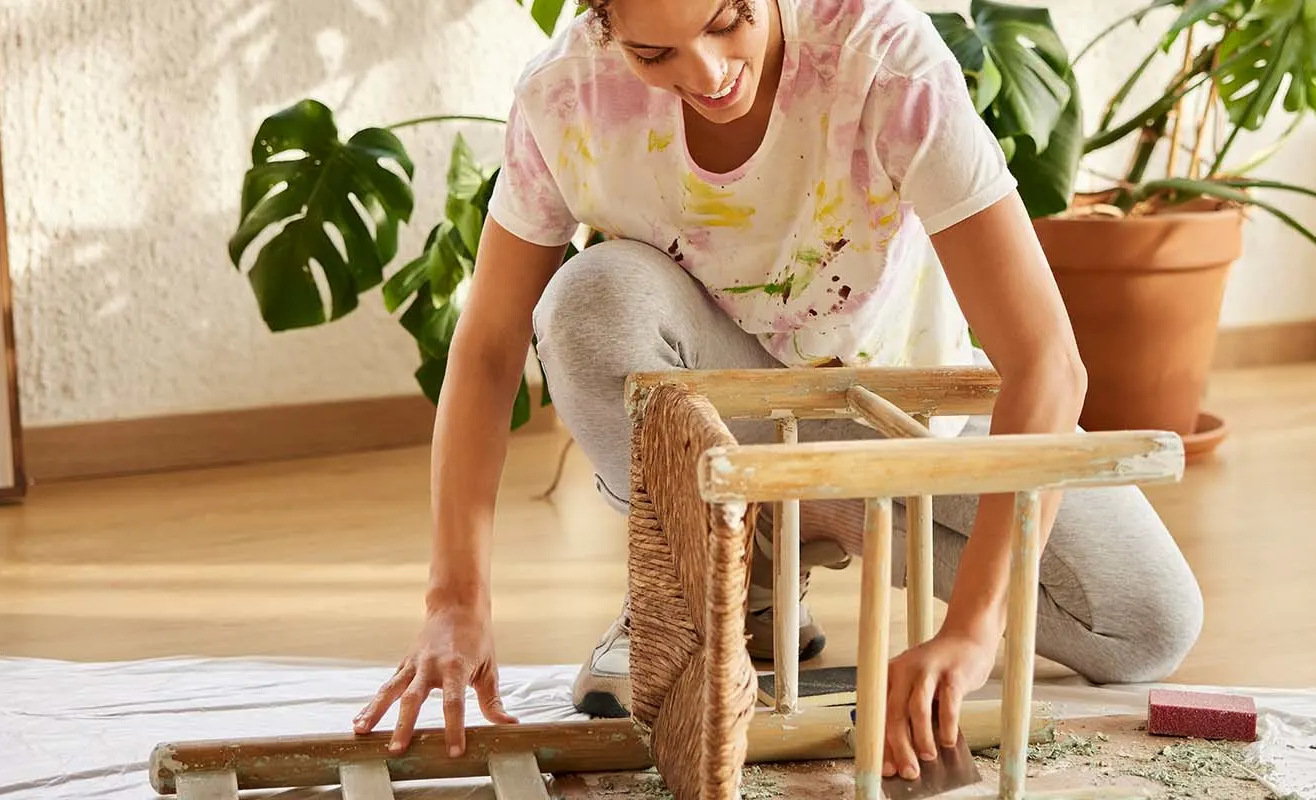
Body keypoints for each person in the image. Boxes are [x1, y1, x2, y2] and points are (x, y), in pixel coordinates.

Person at [350, 0, 1204, 782]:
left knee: (1145, 624)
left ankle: (797, 521)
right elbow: (491, 343)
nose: (709, 73)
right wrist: (455, 599)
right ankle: (720, 574)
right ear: (605, 25)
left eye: (730, 20)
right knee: (590, 299)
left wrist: (973, 629)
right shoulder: (566, 96)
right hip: (732, 423)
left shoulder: (883, 60)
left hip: (903, 413)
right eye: (656, 53)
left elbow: (1047, 358)